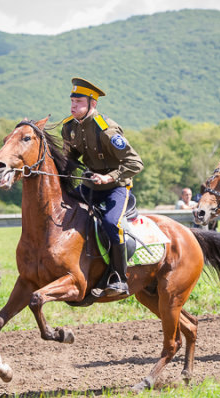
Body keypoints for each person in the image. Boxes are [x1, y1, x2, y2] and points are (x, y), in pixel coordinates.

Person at [61, 78, 144, 297]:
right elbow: (70, 159)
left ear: (92, 104)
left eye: (78, 102)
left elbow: (136, 163)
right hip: (90, 186)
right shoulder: (69, 127)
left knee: (110, 222)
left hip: (116, 188)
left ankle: (119, 278)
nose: (73, 106)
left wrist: (108, 178)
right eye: (72, 101)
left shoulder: (107, 130)